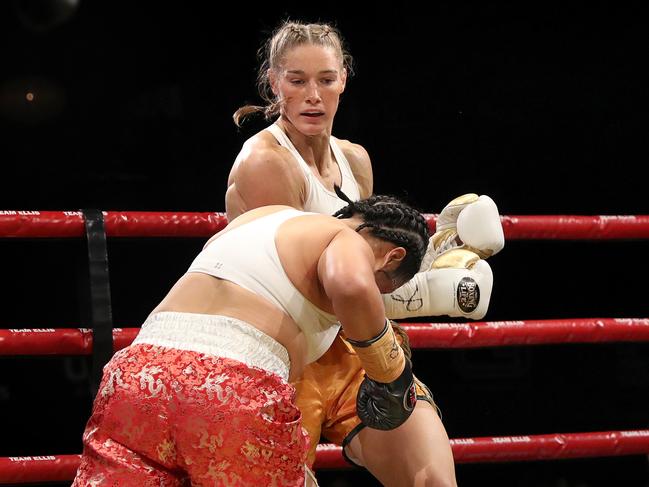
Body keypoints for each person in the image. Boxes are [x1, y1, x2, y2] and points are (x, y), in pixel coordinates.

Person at [227, 20, 505, 486]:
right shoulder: (266, 163)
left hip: (352, 347)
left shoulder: (354, 159)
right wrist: (432, 293)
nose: (312, 95)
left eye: (326, 79)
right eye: (297, 81)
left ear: (344, 80)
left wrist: (423, 260)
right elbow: (302, 290)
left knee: (432, 479)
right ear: (274, 83)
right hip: (282, 356)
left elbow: (366, 270)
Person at [71, 197, 431, 486]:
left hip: (135, 375)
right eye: (383, 287)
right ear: (391, 256)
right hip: (229, 386)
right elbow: (352, 286)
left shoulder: (262, 217)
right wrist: (389, 374)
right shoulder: (346, 240)